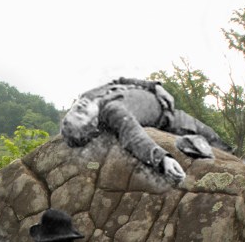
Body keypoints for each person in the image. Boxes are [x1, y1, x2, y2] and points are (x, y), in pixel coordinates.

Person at [61, 77, 233, 183]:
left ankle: (240, 161)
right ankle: (239, 166)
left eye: (74, 109)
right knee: (212, 140)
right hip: (169, 118)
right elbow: (133, 136)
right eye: (81, 114)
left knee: (215, 139)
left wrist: (154, 86)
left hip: (162, 99)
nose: (80, 105)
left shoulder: (88, 95)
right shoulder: (112, 111)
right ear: (94, 124)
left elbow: (120, 81)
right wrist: (161, 159)